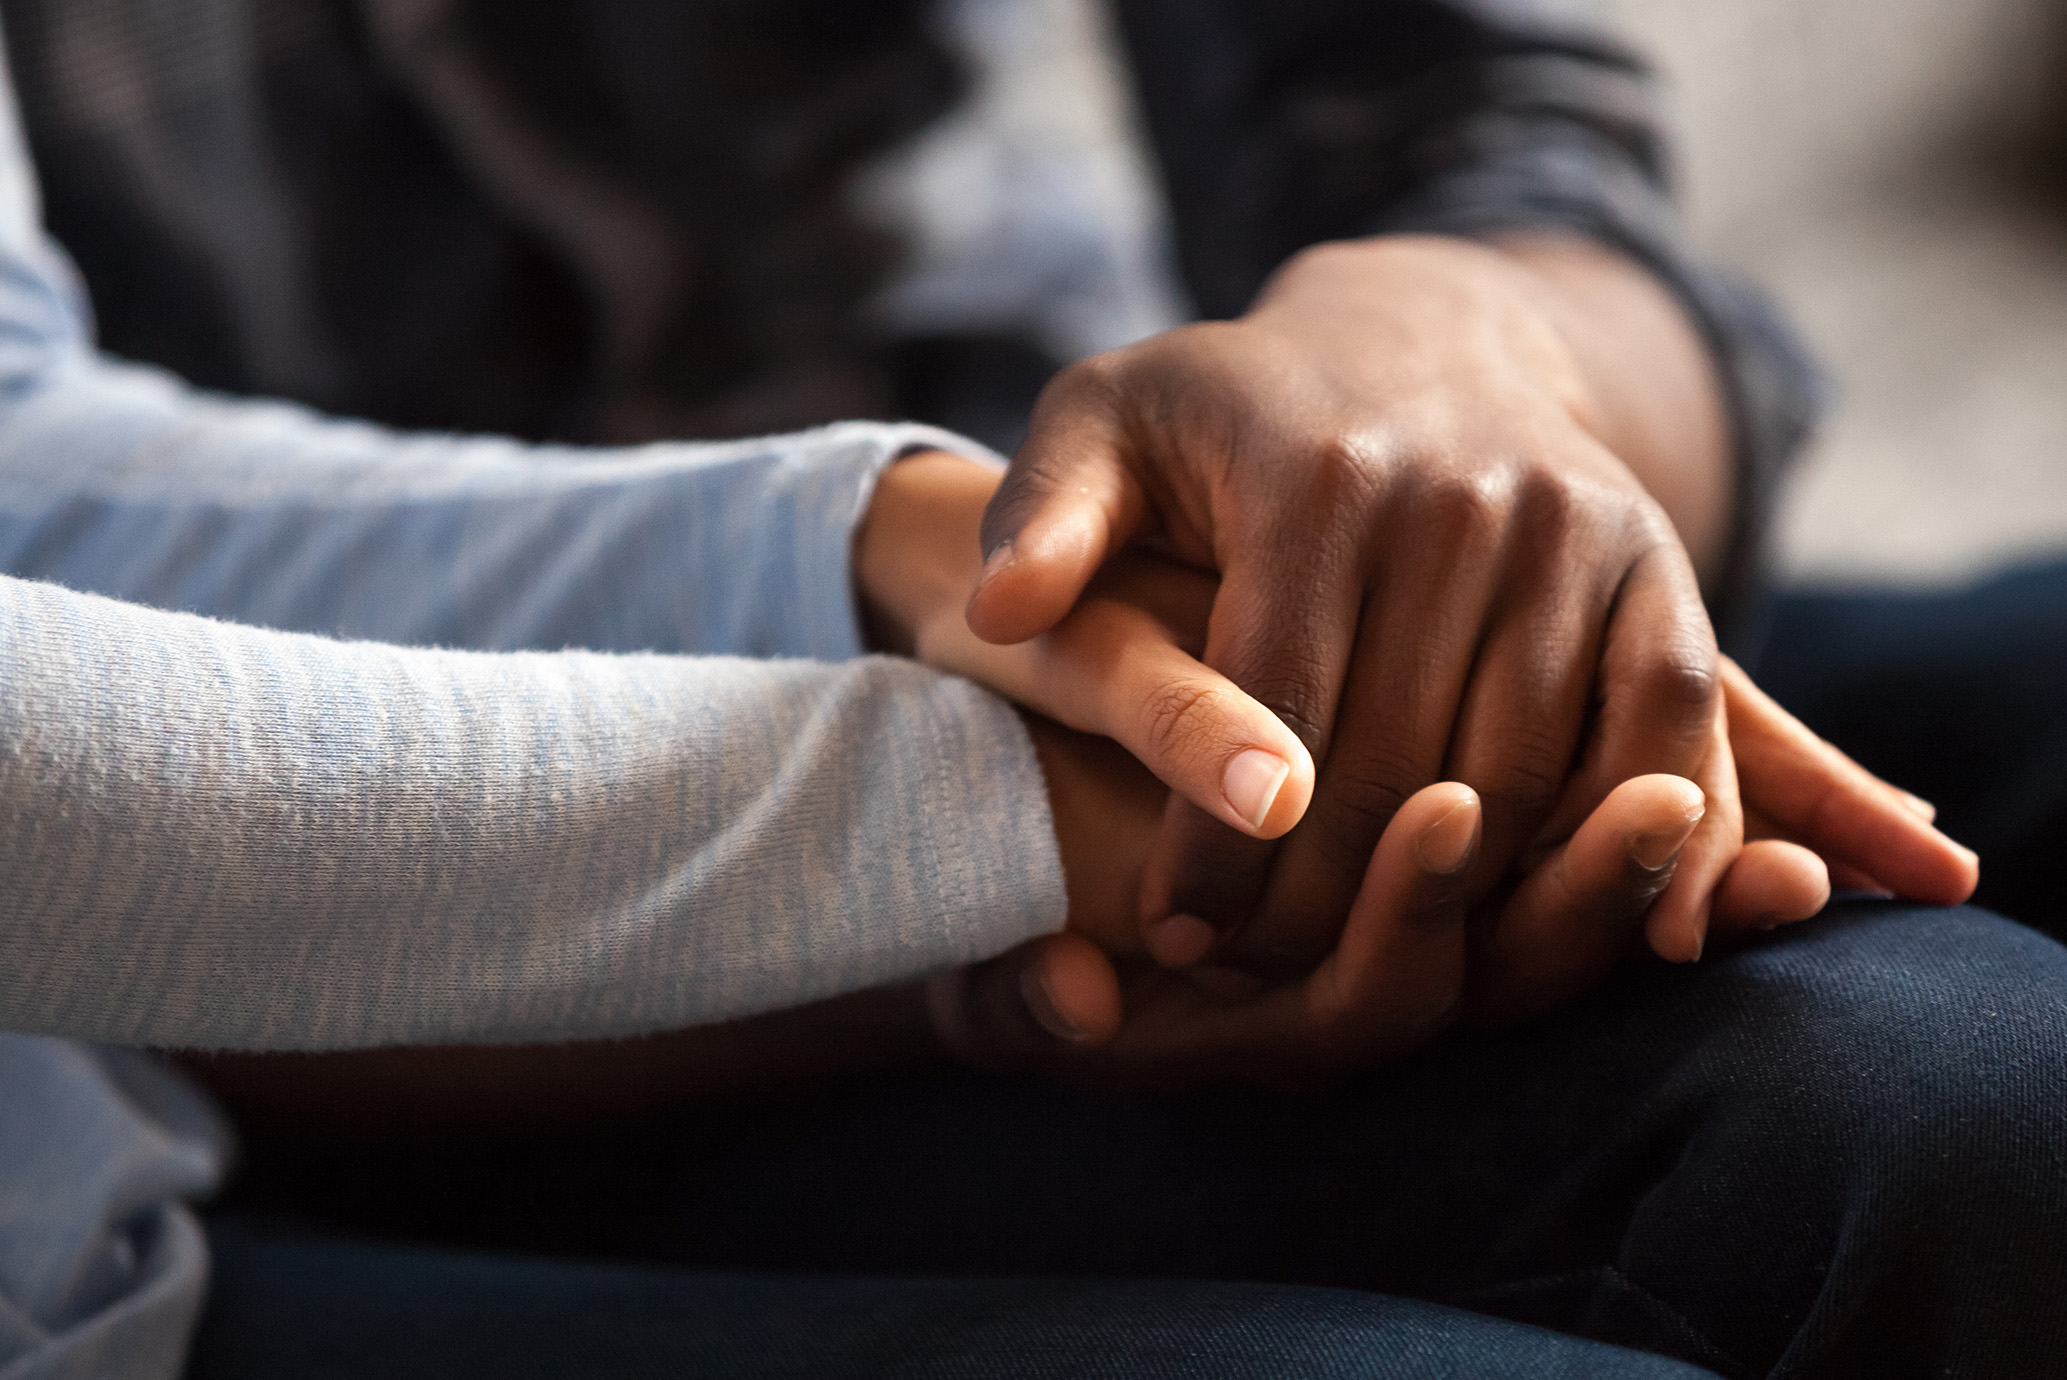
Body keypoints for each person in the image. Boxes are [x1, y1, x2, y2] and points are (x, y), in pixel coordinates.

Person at [0, 3, 2059, 1379]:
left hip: (1090, 610)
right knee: (1927, 1108)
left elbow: (1477, 122)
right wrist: (1026, 818)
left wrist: (1463, 377)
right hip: (327, 955)